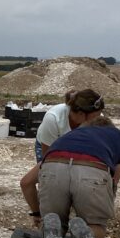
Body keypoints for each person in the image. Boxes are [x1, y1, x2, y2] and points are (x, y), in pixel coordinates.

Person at [38, 116, 120, 238]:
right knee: (96, 225)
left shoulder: (71, 135)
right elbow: (115, 178)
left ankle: (52, 230)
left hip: (53, 165)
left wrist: (37, 212)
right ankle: (87, 232)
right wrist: (105, 202)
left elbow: (31, 177)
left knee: (52, 220)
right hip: (92, 168)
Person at [20, 89, 103, 226]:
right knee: (46, 182)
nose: (99, 119)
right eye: (95, 116)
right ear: (81, 114)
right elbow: (48, 159)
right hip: (51, 149)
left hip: (78, 150)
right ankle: (39, 216)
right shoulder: (53, 118)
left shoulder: (95, 118)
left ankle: (77, 220)